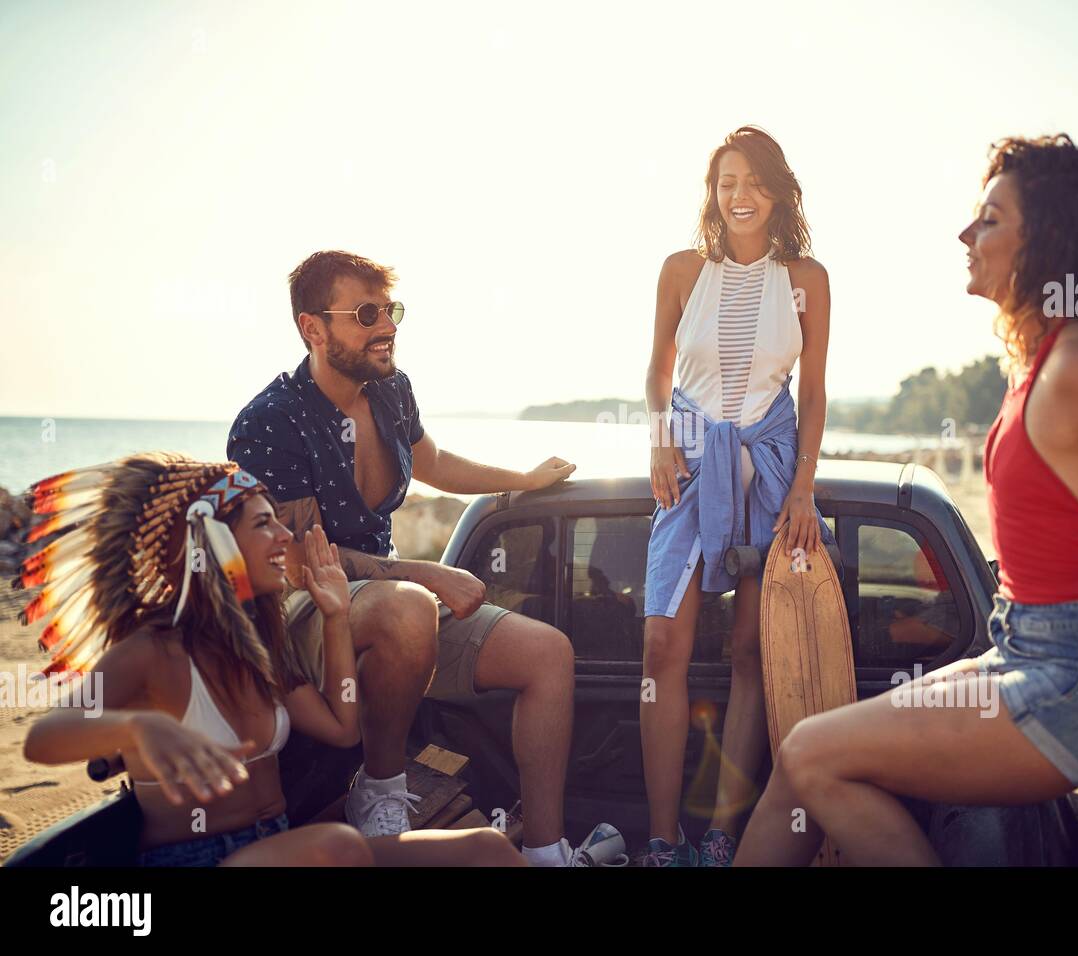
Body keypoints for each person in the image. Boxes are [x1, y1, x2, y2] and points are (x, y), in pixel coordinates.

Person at [734, 133, 1078, 866]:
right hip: (1027, 648)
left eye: (990, 219)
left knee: (811, 755)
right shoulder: (1043, 363)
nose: (967, 234)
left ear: (1047, 242)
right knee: (803, 756)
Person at [226, 250, 608, 866]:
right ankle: (380, 792)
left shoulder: (390, 391)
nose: (387, 327)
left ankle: (543, 851)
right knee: (409, 608)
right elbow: (298, 558)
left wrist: (525, 478)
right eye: (367, 313)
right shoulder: (271, 420)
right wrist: (421, 572)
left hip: (389, 602)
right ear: (313, 328)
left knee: (548, 653)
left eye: (391, 310)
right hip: (302, 612)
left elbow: (431, 462)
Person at [21, 453, 523, 866]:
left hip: (282, 848)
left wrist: (334, 616)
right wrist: (136, 730)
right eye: (265, 524)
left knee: (488, 849)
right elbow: (44, 739)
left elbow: (343, 728)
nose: (286, 537)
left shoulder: (257, 649)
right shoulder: (152, 652)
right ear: (212, 545)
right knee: (339, 846)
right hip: (201, 859)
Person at [640, 126, 833, 866]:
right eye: (726, 182)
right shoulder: (681, 270)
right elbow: (658, 372)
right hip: (688, 461)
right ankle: (662, 839)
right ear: (712, 193)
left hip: (773, 461)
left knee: (754, 649)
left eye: (753, 182)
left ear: (778, 192)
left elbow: (812, 393)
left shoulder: (806, 279)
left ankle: (722, 834)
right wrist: (660, 436)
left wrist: (805, 486)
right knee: (662, 644)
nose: (738, 195)